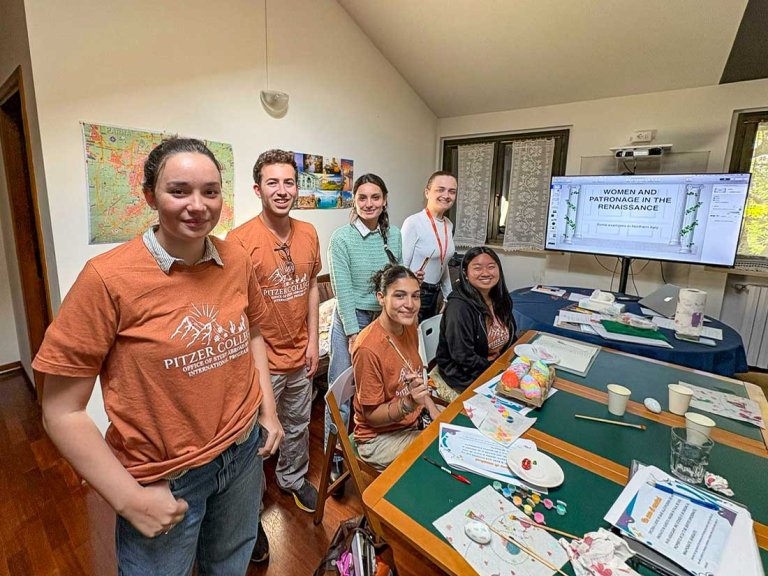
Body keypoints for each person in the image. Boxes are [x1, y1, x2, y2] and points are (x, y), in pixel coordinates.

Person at [32, 138, 284, 575]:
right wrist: (129, 499)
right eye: (179, 191)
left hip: (243, 452)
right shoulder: (107, 279)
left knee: (230, 564)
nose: (198, 205)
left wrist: (269, 411)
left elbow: (253, 332)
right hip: (168, 477)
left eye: (210, 191)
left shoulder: (236, 259)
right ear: (150, 196)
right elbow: (61, 410)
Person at [227, 149, 321, 562]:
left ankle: (293, 478)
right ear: (258, 189)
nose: (282, 191)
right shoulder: (239, 241)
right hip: (260, 363)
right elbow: (236, 309)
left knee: (297, 425)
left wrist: (314, 342)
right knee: (255, 443)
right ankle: (249, 517)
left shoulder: (309, 232)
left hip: (300, 355)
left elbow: (312, 286)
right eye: (272, 183)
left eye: (289, 182)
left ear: (297, 187)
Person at [326, 174, 402, 484]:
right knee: (341, 394)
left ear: (384, 201)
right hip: (351, 319)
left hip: (382, 319)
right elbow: (342, 290)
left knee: (377, 388)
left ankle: (371, 444)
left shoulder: (394, 235)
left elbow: (395, 279)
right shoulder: (341, 238)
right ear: (354, 201)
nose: (369, 203)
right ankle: (334, 456)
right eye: (362, 198)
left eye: (375, 197)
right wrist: (353, 333)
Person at [352, 265, 440, 470]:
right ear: (381, 298)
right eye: (400, 296)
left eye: (415, 296)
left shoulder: (409, 324)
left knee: (455, 428)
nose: (410, 304)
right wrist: (409, 402)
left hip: (411, 420)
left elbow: (415, 381)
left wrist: (433, 409)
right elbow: (371, 417)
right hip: (378, 438)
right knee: (438, 453)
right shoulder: (368, 348)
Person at [434, 247, 516, 402]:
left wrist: (512, 366)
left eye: (491, 267)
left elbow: (512, 338)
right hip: (466, 375)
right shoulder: (458, 308)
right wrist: (498, 372)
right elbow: (463, 357)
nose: (485, 273)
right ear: (465, 273)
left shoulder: (500, 299)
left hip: (495, 366)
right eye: (477, 268)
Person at [401, 171, 457, 321]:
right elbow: (401, 267)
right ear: (427, 192)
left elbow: (443, 262)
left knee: (430, 334)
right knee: (414, 335)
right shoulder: (413, 223)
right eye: (440, 189)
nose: (446, 195)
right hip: (415, 292)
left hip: (435, 292)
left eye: (452, 191)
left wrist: (447, 296)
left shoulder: (448, 224)